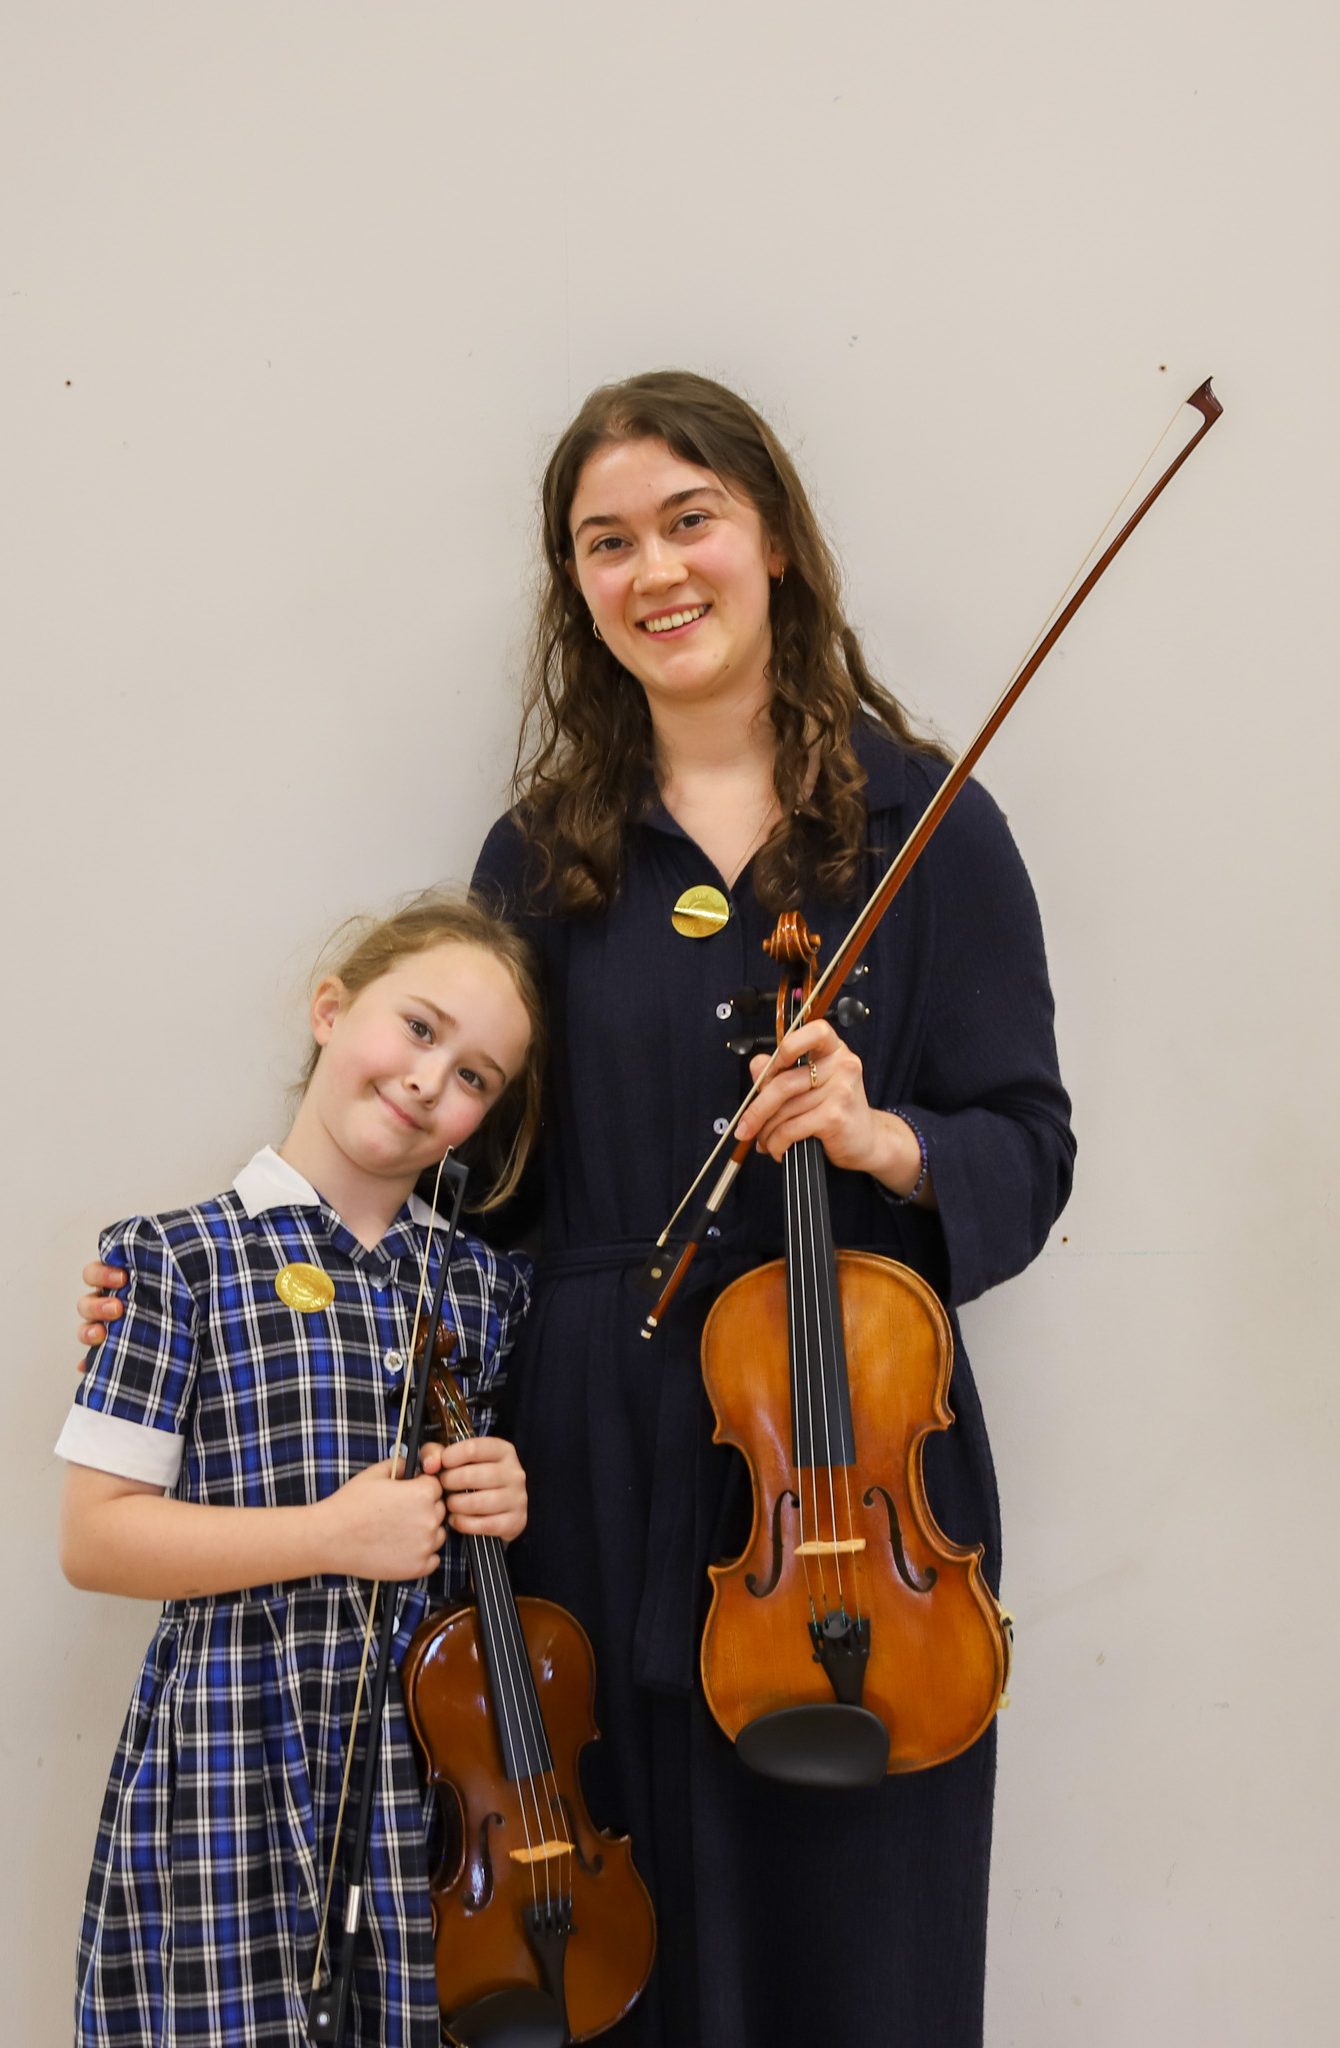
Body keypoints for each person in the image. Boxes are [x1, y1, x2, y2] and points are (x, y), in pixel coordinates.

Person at [81, 370, 1075, 2047]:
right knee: (611, 1939)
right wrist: (226, 1277)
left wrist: (881, 1136)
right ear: (576, 588)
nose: (652, 569)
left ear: (769, 539)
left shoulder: (932, 826)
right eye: (605, 542)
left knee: (862, 1933)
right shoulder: (540, 859)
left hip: (852, 1469)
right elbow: (450, 1162)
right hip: (585, 1452)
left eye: (687, 519)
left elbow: (1026, 1149)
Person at [58, 896, 544, 2048]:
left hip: (427, 1795)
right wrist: (327, 1534)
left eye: (476, 1076)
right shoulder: (171, 1258)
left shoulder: (484, 1289)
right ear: (331, 1009)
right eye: (417, 1029)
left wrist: (503, 1493)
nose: (433, 1081)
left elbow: (486, 1521)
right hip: (227, 1759)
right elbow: (95, 1537)